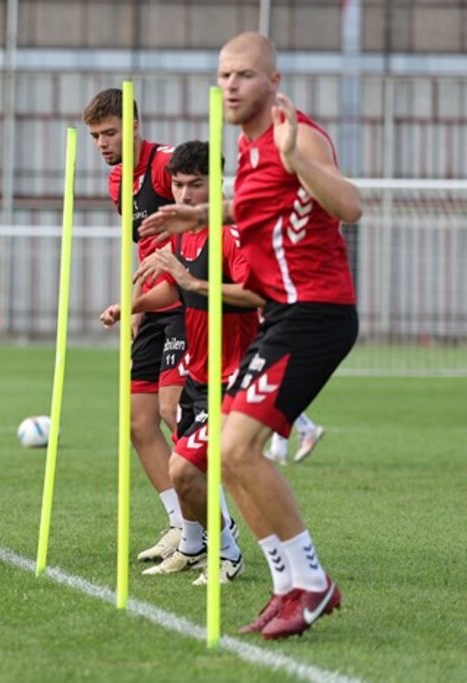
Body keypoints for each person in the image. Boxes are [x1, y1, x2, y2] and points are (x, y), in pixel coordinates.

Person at [142, 32, 360, 639]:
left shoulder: (297, 136)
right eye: (224, 75)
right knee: (229, 454)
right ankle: (287, 586)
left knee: (237, 450)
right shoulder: (247, 145)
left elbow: (350, 206)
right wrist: (198, 214)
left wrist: (300, 160)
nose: (231, 85)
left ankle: (311, 582)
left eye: (244, 74)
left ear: (273, 82)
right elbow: (258, 204)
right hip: (282, 314)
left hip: (316, 311)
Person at [104, 141, 253, 586]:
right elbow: (174, 287)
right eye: (179, 185)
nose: (185, 194)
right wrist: (131, 305)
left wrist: (193, 282)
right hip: (198, 370)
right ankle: (191, 546)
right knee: (185, 465)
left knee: (184, 469)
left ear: (218, 183)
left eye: (196, 185)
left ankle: (228, 554)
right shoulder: (185, 231)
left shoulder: (232, 233)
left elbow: (255, 294)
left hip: (234, 373)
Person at [84, 88, 187, 562]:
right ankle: (180, 524)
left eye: (110, 133)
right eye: (95, 136)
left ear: (135, 127)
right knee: (138, 422)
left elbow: (205, 226)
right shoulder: (118, 181)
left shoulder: (167, 165)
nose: (102, 143)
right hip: (151, 306)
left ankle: (213, 529)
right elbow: (145, 250)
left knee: (172, 411)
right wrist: (137, 308)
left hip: (186, 304)